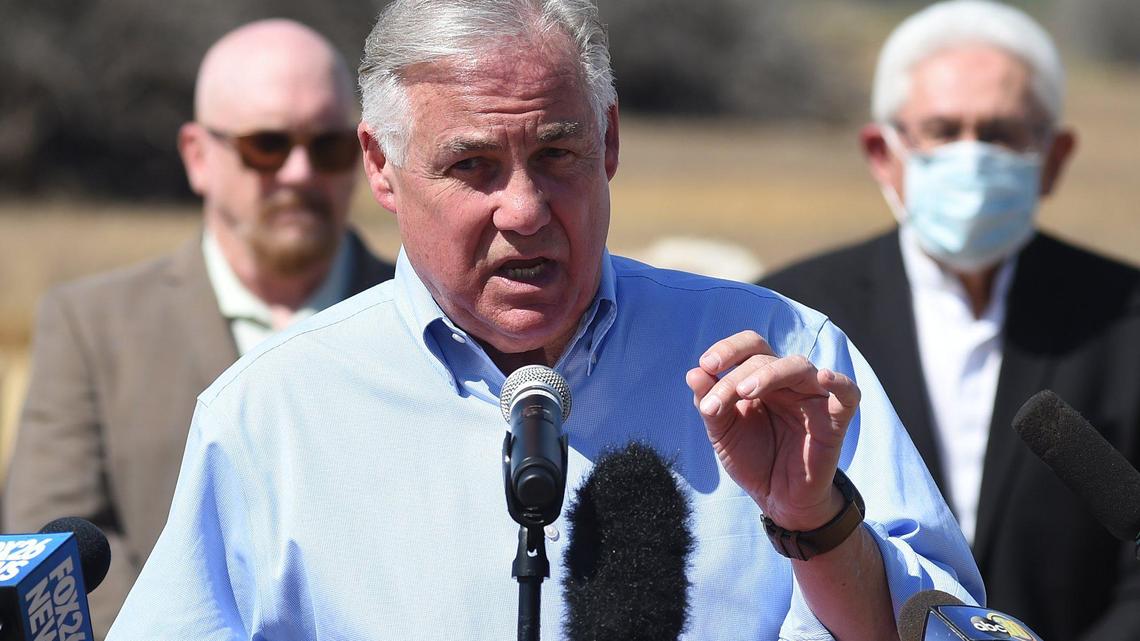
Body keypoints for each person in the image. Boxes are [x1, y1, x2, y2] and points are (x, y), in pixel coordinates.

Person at [108, 1, 982, 638]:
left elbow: (953, 628)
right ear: (381, 167)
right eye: (473, 165)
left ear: (608, 141)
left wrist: (816, 522)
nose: (524, 208)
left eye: (556, 154)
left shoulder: (785, 357)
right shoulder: (268, 414)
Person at [2, 19, 396, 638]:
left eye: (328, 146)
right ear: (197, 156)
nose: (298, 173)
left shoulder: (427, 316)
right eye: (266, 145)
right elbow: (52, 551)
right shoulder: (91, 325)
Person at [762, 2, 1140, 639]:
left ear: (1053, 157)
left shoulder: (1126, 321)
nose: (972, 158)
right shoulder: (794, 318)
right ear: (884, 153)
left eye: (999, 134)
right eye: (943, 130)